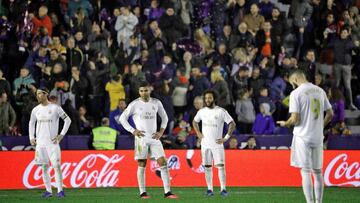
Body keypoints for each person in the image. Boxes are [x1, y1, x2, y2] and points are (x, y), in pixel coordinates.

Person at [277, 70, 333, 203]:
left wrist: (286, 123)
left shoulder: (296, 93)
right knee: (318, 172)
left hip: (303, 136)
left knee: (306, 171)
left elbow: (295, 118)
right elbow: (330, 114)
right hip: (317, 137)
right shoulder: (320, 91)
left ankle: (310, 202)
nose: (292, 85)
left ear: (295, 78)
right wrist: (320, 127)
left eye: (292, 82)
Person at [119, 81, 178, 199]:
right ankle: (143, 193)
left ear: (150, 90)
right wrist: (133, 130)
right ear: (139, 92)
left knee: (163, 162)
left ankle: (167, 192)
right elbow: (122, 119)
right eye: (141, 91)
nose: (144, 93)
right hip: (141, 139)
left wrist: (161, 131)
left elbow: (165, 118)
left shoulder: (156, 102)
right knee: (142, 163)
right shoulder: (134, 104)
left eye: (145, 90)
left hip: (154, 138)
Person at [29, 87, 72, 198]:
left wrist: (61, 135)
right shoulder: (35, 109)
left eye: (39, 94)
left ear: (46, 94)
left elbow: (68, 120)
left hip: (52, 144)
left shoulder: (55, 108)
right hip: (40, 144)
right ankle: (48, 191)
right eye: (37, 94)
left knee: (56, 166)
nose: (37, 96)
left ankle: (60, 191)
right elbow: (31, 123)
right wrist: (31, 137)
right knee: (44, 167)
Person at [192, 90, 236, 197]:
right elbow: (195, 121)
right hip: (205, 144)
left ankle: (223, 189)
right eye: (206, 98)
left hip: (217, 144)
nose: (207, 100)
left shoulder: (221, 111)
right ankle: (209, 189)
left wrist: (226, 138)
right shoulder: (201, 111)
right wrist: (198, 132)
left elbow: (232, 123)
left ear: (214, 99)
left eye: (210, 98)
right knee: (207, 167)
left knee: (220, 166)